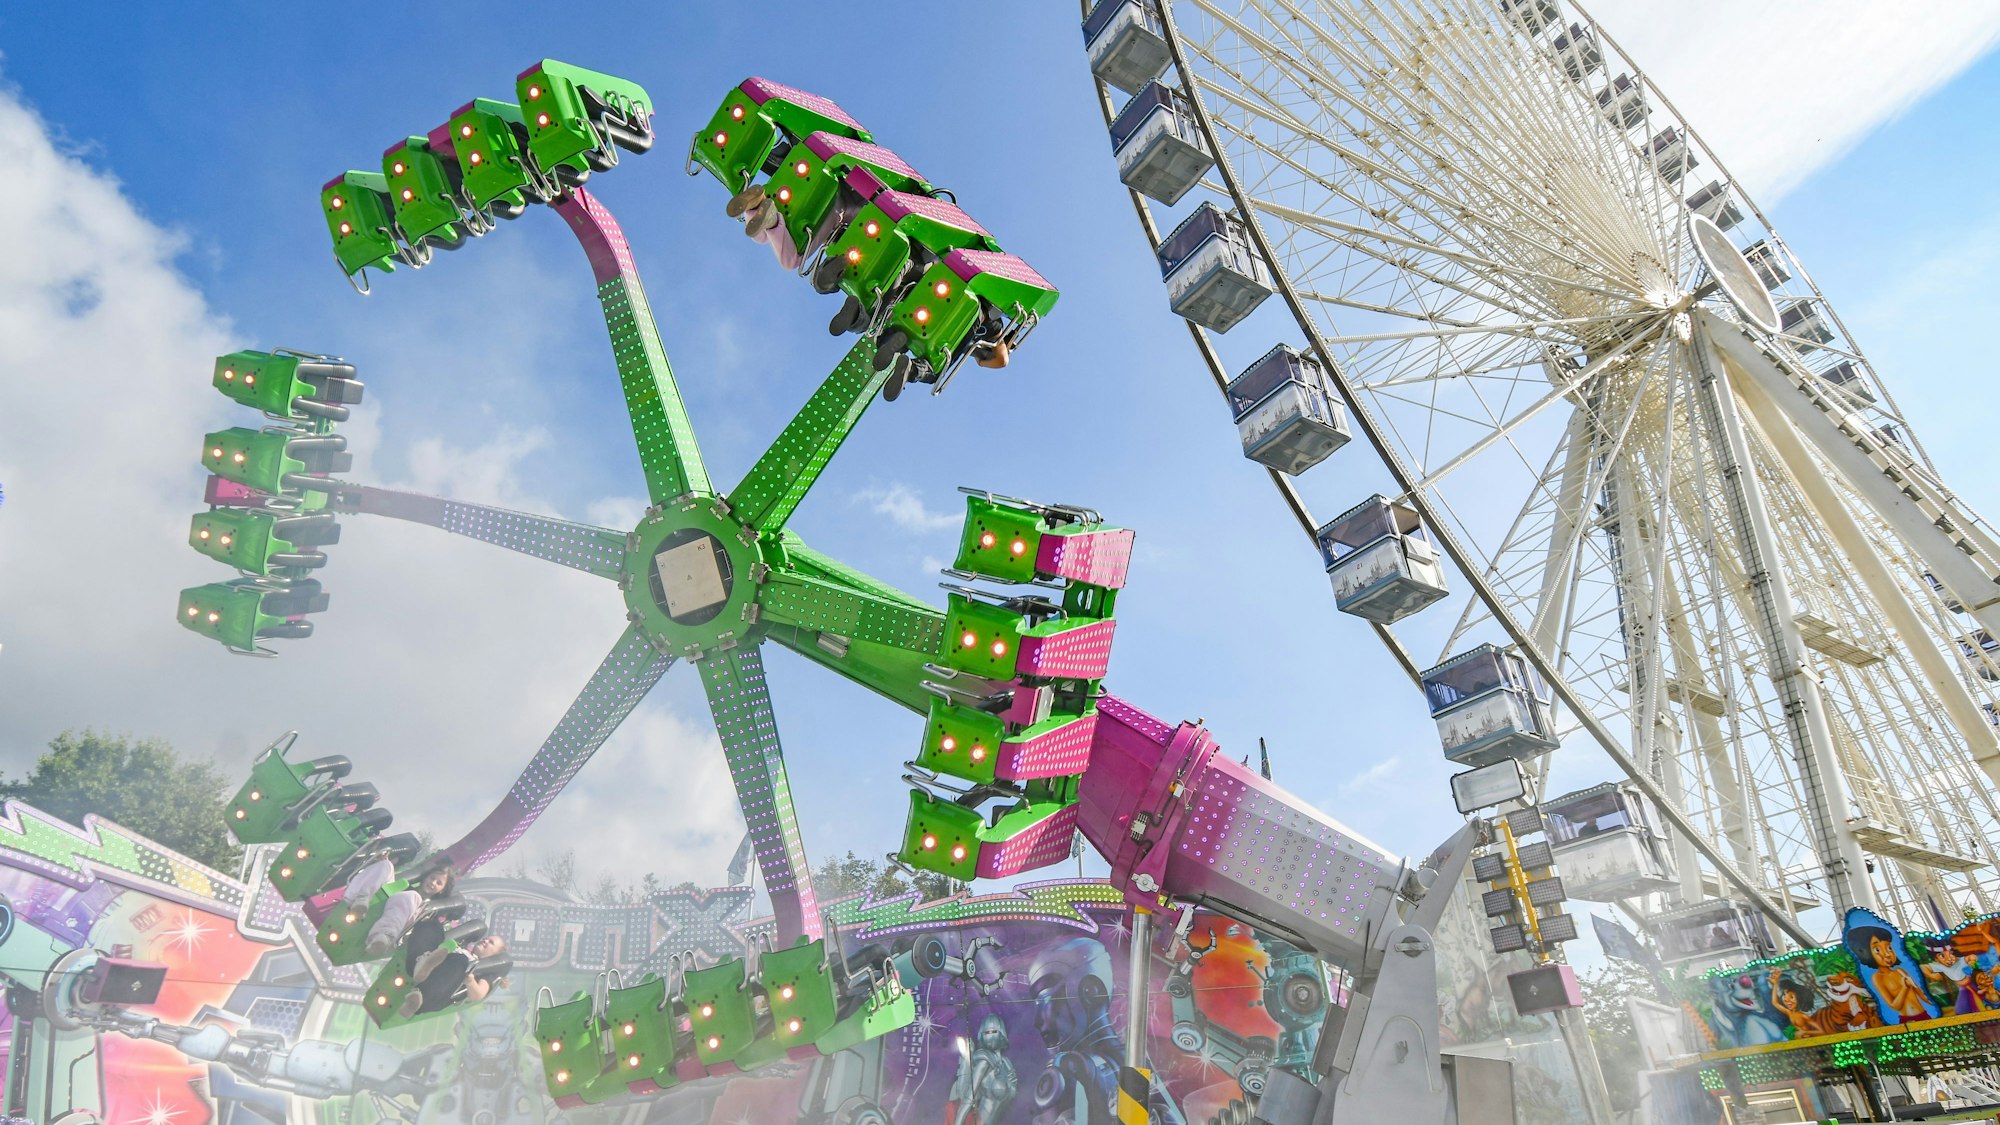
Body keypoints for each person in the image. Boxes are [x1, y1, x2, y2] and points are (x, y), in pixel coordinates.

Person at [343, 855, 455, 958]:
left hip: (396, 929)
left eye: (439, 883)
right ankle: (361, 900)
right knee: (386, 866)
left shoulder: (427, 912)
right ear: (426, 877)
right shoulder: (406, 887)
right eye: (432, 878)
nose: (433, 883)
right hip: (370, 907)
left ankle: (383, 937)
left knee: (413, 896)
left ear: (442, 890)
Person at [396, 917, 509, 1019]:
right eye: (487, 938)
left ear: (496, 955)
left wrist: (470, 980)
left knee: (461, 960)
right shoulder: (462, 947)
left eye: (491, 942)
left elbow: (478, 995)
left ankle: (416, 1000)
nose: (485, 940)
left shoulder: (485, 972)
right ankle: (420, 965)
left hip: (434, 995)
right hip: (422, 966)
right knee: (433, 925)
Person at [725, 184, 803, 271]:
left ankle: (756, 205)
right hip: (808, 215)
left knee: (761, 238)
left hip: (778, 192)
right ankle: (770, 219)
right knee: (790, 263)